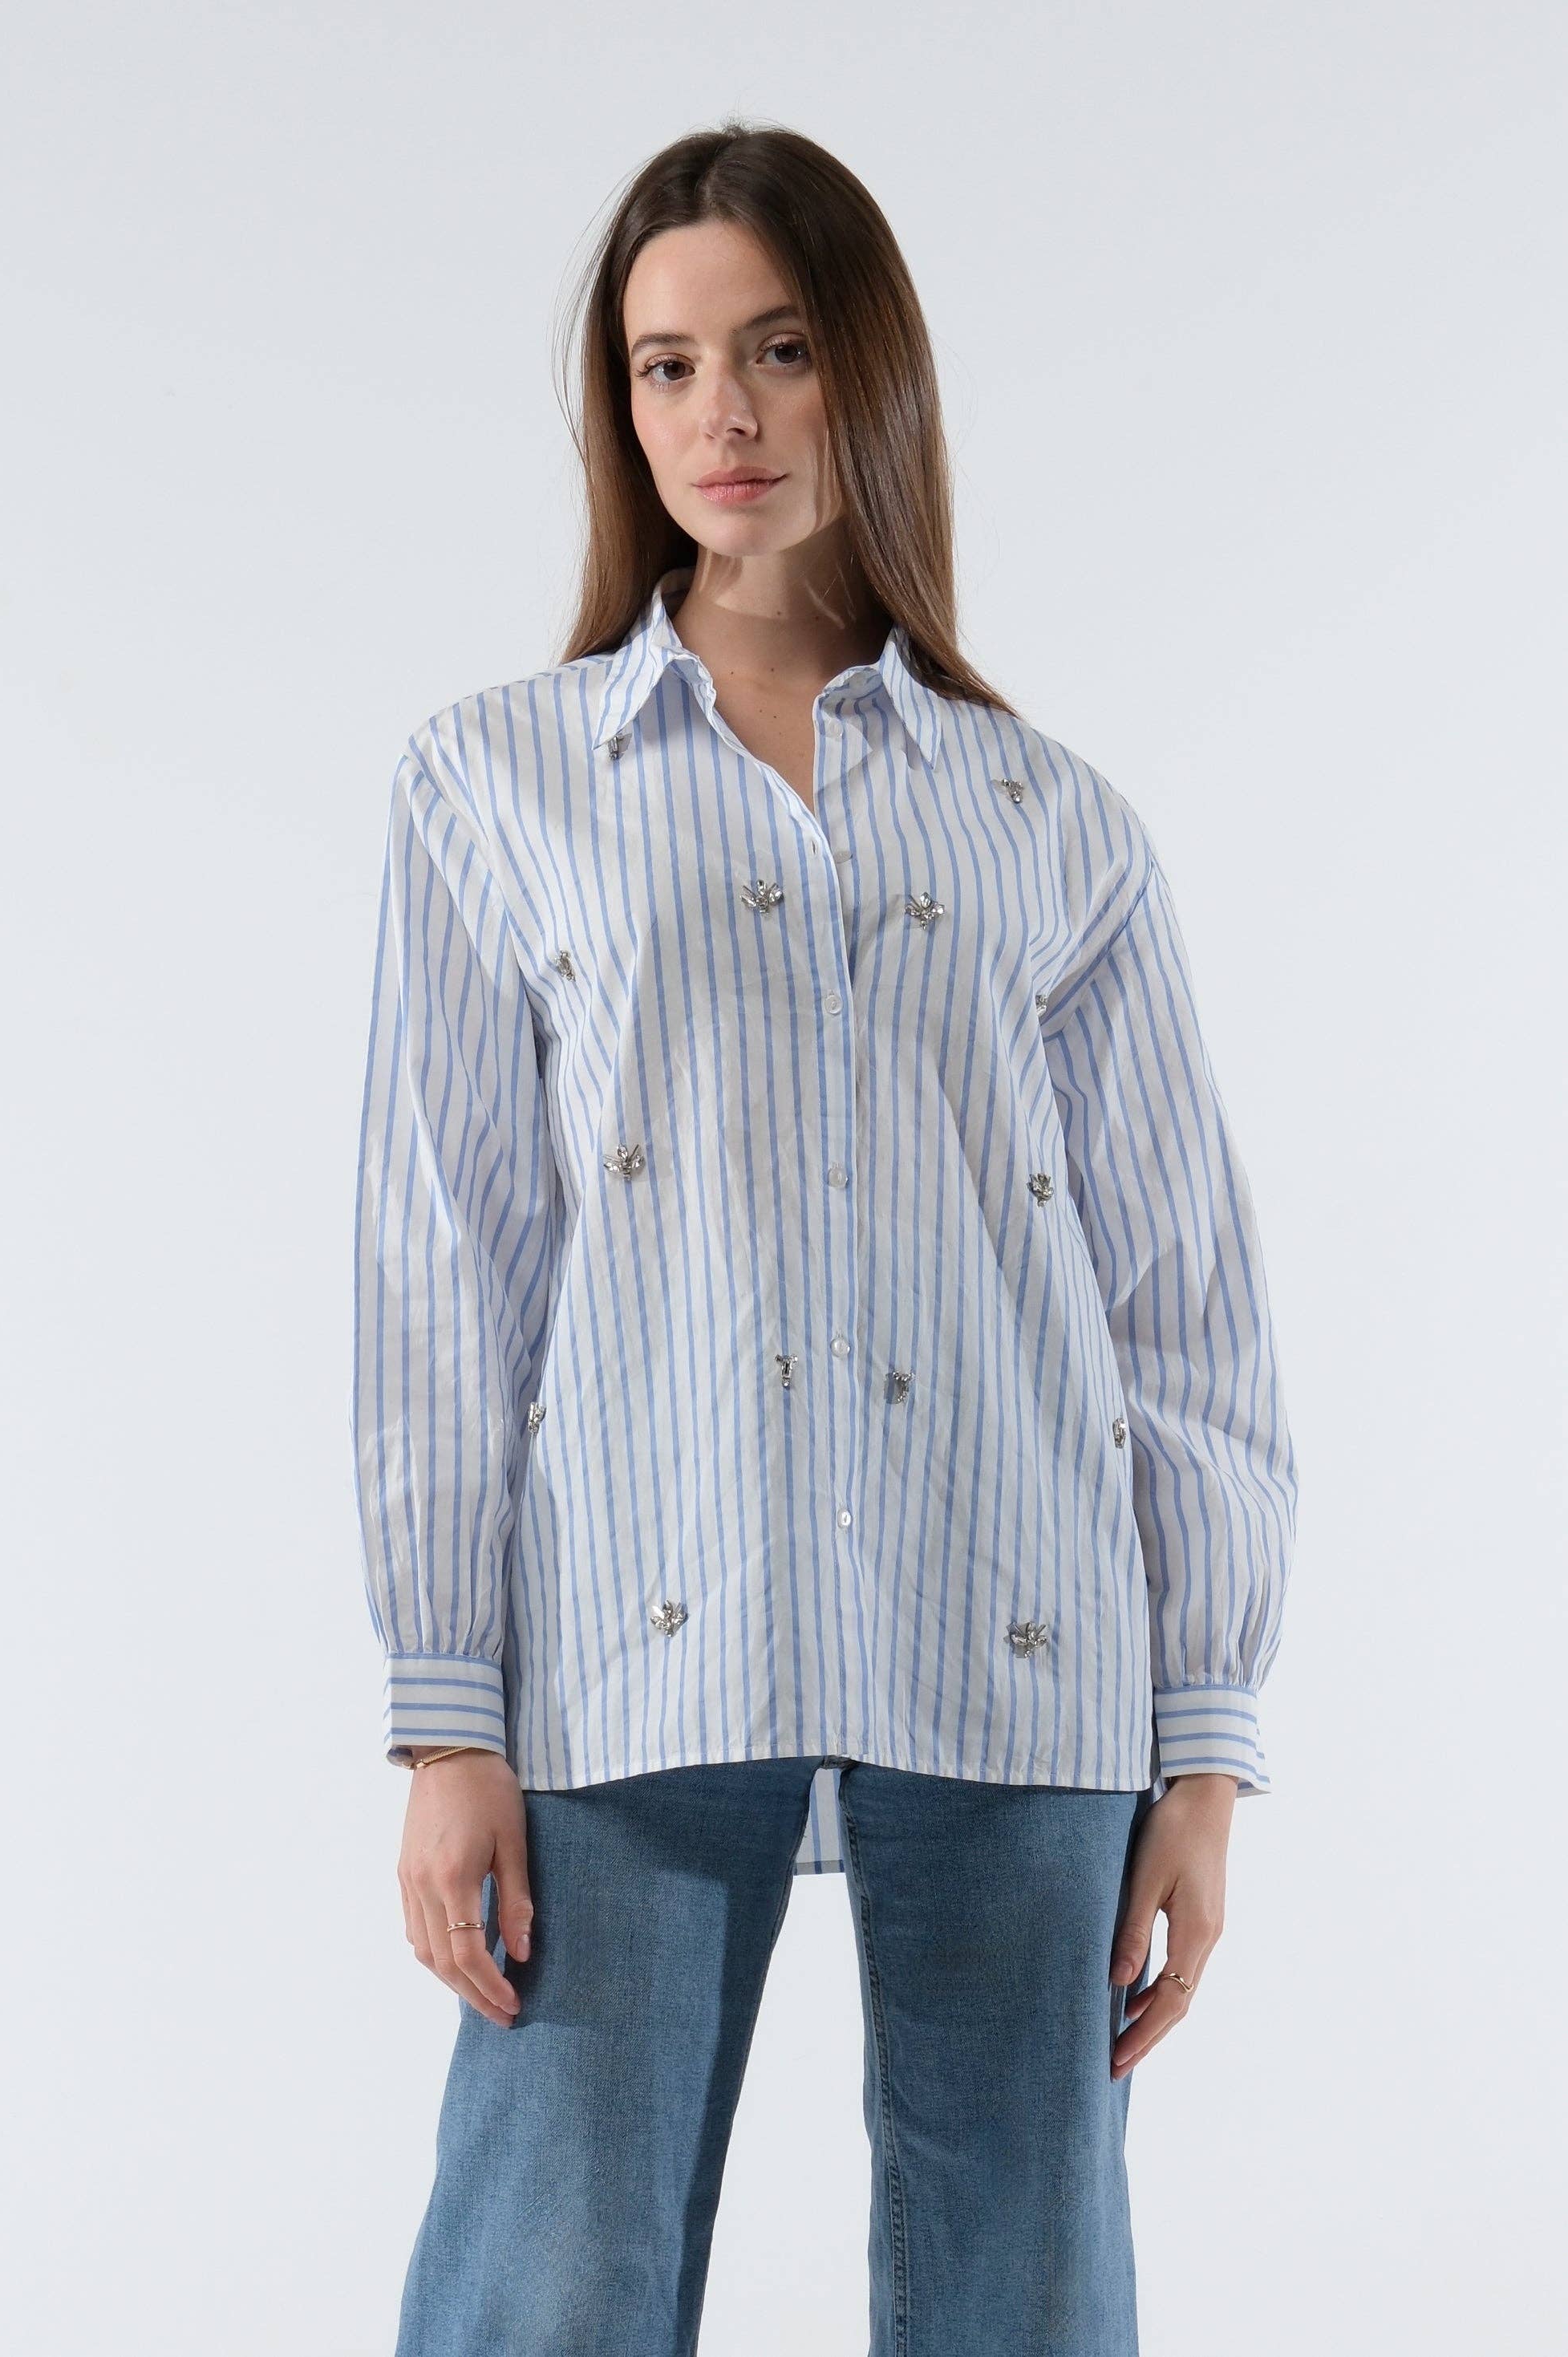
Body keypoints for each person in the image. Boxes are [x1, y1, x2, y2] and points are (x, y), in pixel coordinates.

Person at [350, 120, 1299, 2357]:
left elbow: (1181, 1298)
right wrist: (446, 1717)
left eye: (778, 350)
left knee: (1023, 2300)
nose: (726, 416)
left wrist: (1205, 1744)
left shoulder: (1048, 818)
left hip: (1022, 1635)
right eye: (667, 365)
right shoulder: (496, 783)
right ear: (620, 409)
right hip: (629, 1631)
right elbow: (445, 1267)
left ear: (871, 371)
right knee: (545, 2286)